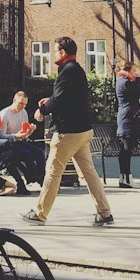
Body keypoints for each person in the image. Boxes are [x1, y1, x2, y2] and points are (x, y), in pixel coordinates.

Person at [22, 37, 113, 226]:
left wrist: (42, 110)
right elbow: (67, 97)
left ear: (63, 52)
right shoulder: (76, 70)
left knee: (53, 172)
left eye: (55, 51)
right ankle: (104, 213)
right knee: (89, 173)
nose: (53, 54)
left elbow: (61, 100)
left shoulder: (68, 72)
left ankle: (40, 214)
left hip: (68, 132)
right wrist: (50, 100)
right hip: (83, 131)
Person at [0, 90, 46, 194]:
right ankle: (33, 176)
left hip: (21, 141)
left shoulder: (24, 112)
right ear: (14, 100)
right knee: (26, 153)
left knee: (40, 152)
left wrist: (30, 130)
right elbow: (0, 136)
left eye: (25, 104)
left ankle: (41, 179)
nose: (22, 107)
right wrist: (15, 136)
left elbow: (25, 134)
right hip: (9, 144)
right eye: (20, 103)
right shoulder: (5, 114)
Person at [115, 62, 140, 188]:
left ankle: (124, 179)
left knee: (125, 151)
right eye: (133, 71)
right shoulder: (125, 82)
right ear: (127, 70)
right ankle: (127, 179)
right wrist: (138, 79)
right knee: (126, 151)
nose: (135, 73)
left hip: (125, 118)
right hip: (127, 120)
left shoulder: (121, 81)